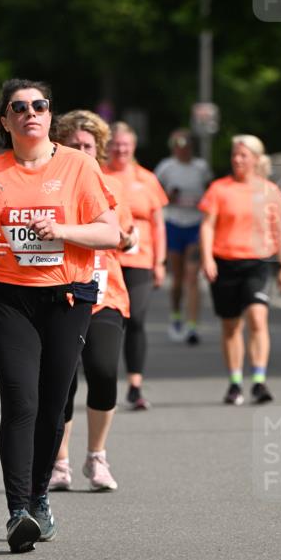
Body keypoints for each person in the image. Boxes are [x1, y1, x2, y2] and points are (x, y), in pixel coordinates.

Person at [0, 79, 118, 553]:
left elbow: (109, 233)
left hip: (67, 297)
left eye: (39, 105)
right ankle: (17, 513)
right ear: (5, 121)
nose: (31, 112)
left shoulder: (79, 166)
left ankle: (39, 497)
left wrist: (62, 230)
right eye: (19, 107)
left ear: (49, 116)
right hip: (7, 297)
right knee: (20, 400)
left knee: (52, 405)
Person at [51, 110, 136, 492]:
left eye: (88, 145)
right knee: (62, 381)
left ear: (98, 149)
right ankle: (59, 462)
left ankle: (96, 457)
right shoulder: (50, 186)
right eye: (75, 145)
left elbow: (126, 234)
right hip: (61, 291)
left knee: (102, 371)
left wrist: (130, 240)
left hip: (105, 293)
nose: (82, 151)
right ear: (61, 147)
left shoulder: (111, 185)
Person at [199, 134, 281, 405]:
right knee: (231, 325)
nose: (237, 159)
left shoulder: (269, 191)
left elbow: (279, 231)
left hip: (258, 263)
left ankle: (259, 381)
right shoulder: (219, 189)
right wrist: (207, 258)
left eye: (243, 155)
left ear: (256, 159)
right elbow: (207, 226)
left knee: (258, 319)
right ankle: (235, 382)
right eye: (234, 155)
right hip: (225, 262)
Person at [103, 122, 168, 411]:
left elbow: (158, 223)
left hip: (141, 259)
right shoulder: (98, 174)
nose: (121, 149)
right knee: (110, 322)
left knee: (137, 319)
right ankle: (104, 380)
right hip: (107, 259)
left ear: (134, 147)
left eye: (126, 144)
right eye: (116, 144)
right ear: (107, 146)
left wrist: (160, 262)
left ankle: (135, 386)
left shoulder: (147, 178)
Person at [154, 129, 212, 344]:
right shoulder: (166, 167)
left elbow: (211, 192)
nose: (182, 150)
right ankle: (176, 315)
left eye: (186, 146)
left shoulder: (201, 167)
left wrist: (204, 202)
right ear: (173, 148)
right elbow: (154, 193)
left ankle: (193, 326)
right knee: (177, 279)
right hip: (173, 224)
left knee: (192, 277)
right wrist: (168, 196)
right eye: (178, 146)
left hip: (195, 225)